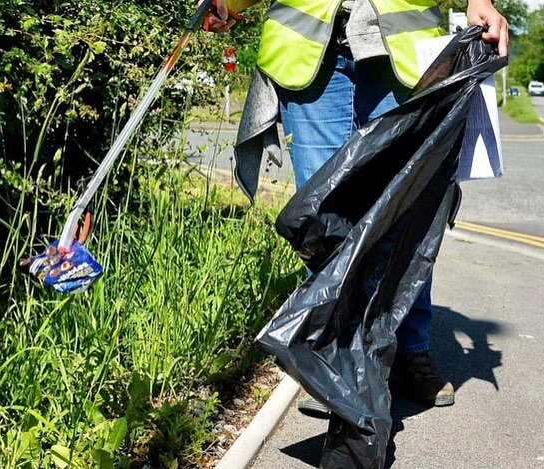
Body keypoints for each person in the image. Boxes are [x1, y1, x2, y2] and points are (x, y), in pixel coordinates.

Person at [206, 0, 509, 412]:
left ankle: (408, 351)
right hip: (309, 51)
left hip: (402, 53)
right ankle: (340, 363)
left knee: (408, 209)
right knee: (325, 218)